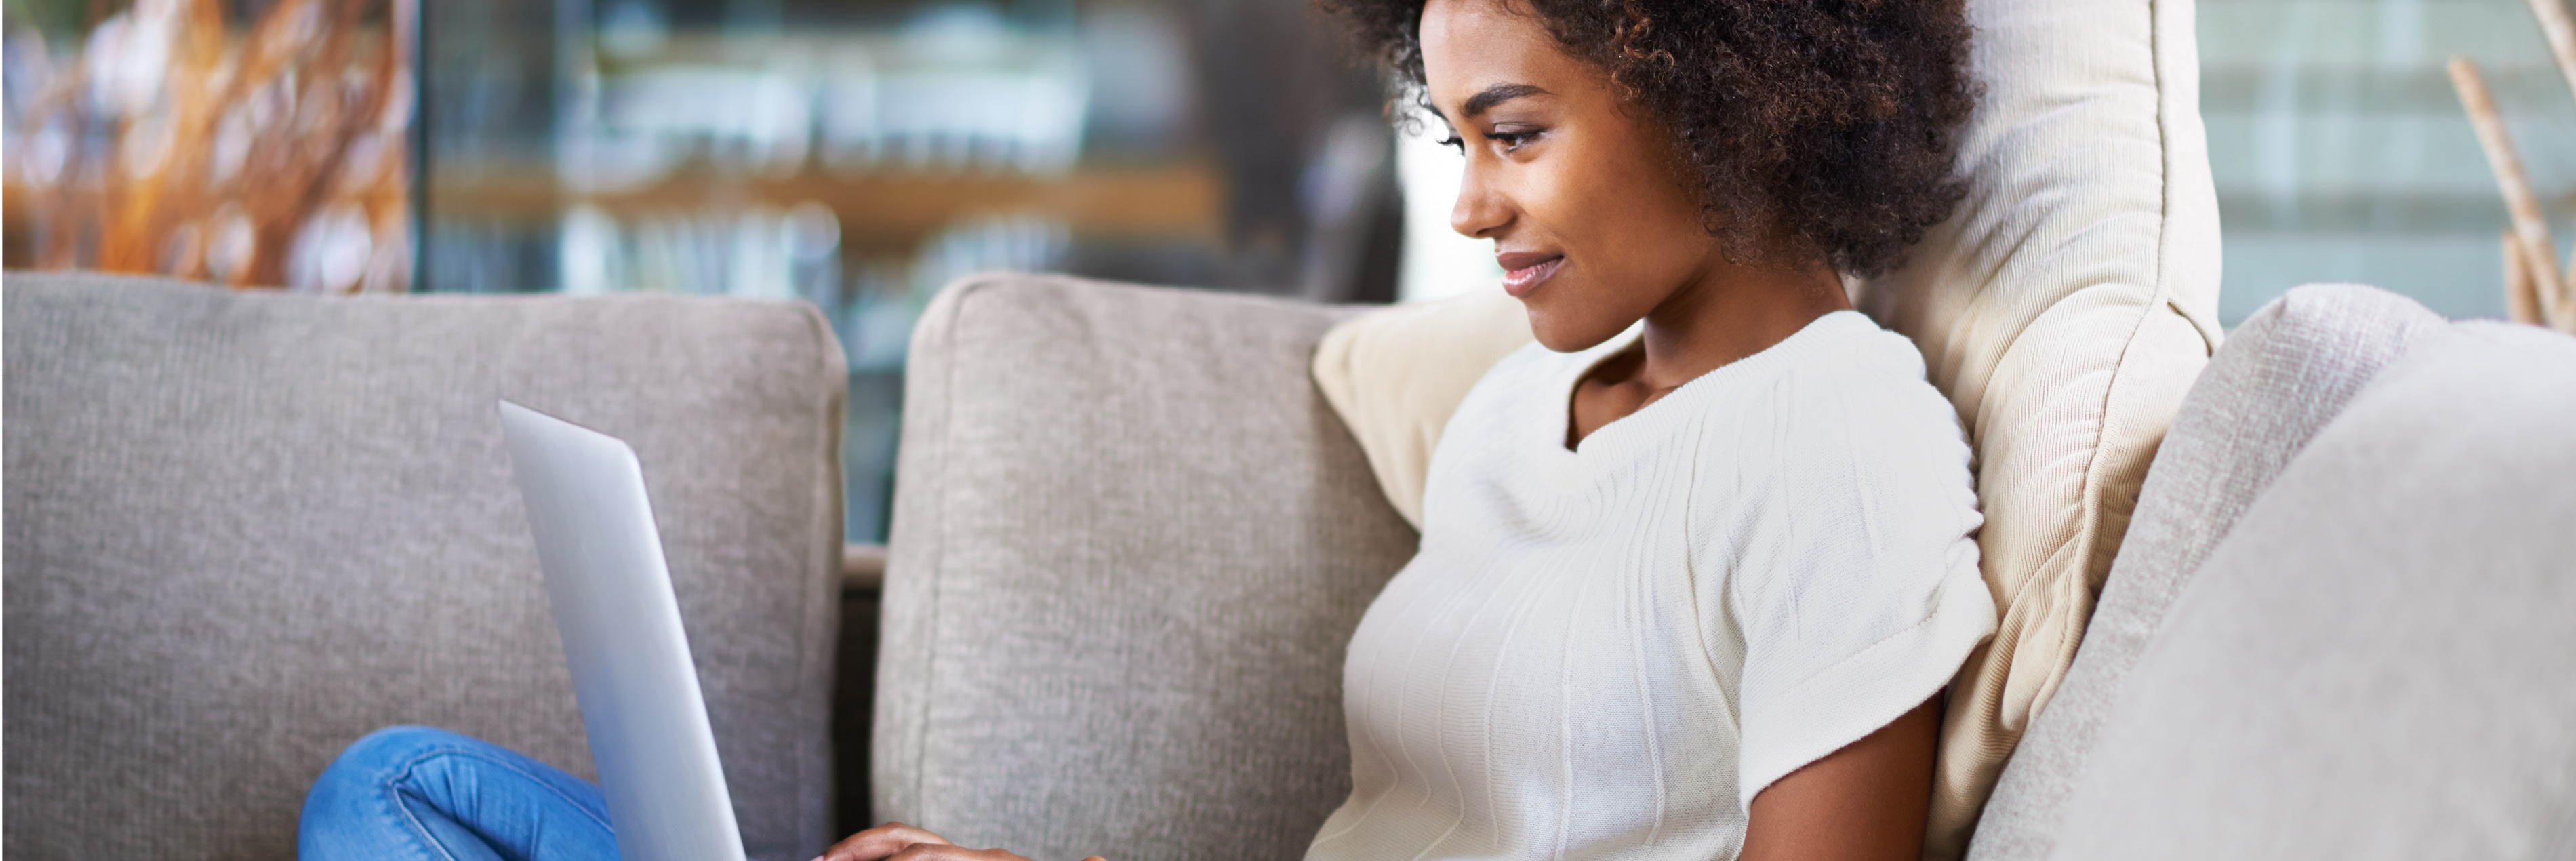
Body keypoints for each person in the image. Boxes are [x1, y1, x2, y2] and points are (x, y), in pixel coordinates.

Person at [300, 0, 1986, 858]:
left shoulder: (1839, 439)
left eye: (1515, 134)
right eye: (1452, 133)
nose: (1470, 207)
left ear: (1727, 85)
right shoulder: (1520, 402)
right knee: (404, 794)